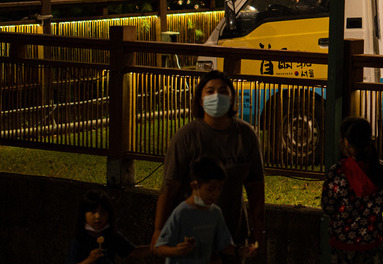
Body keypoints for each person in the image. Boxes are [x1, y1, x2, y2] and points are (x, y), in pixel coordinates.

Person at [152, 70, 265, 262]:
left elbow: (256, 187)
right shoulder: (186, 137)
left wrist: (258, 228)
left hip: (233, 233)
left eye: (222, 91)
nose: (216, 96)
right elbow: (170, 187)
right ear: (200, 100)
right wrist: (159, 230)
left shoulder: (246, 136)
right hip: (193, 238)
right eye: (210, 91)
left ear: (231, 99)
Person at [155, 157, 256, 263]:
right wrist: (176, 251)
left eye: (220, 188)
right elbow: (159, 248)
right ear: (194, 185)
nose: (216, 194)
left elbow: (223, 245)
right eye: (211, 189)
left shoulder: (214, 213)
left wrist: (240, 251)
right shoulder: (182, 213)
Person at [322, 116, 383, 264]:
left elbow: (327, 207)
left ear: (346, 142)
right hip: (372, 243)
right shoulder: (382, 169)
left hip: (342, 246)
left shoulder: (337, 172)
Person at [66, 189, 148, 264]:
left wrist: (154, 247)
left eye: (103, 212)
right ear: (84, 214)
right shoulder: (79, 240)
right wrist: (89, 260)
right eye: (93, 212)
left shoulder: (111, 235)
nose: (98, 216)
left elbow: (134, 252)